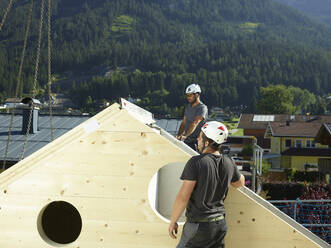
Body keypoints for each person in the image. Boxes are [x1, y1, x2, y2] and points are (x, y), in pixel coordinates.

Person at [169, 121, 245, 248]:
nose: (198, 139)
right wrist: (230, 169)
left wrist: (173, 221)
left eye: (200, 136)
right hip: (220, 225)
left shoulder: (196, 162)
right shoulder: (228, 162)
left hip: (199, 226)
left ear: (207, 142)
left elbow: (183, 197)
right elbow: (240, 183)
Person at [176, 84, 208, 151]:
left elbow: (195, 122)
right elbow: (184, 123)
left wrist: (185, 136)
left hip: (197, 143)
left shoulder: (202, 108)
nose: (188, 97)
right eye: (187, 95)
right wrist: (178, 135)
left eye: (190, 95)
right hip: (187, 142)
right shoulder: (188, 107)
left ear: (196, 94)